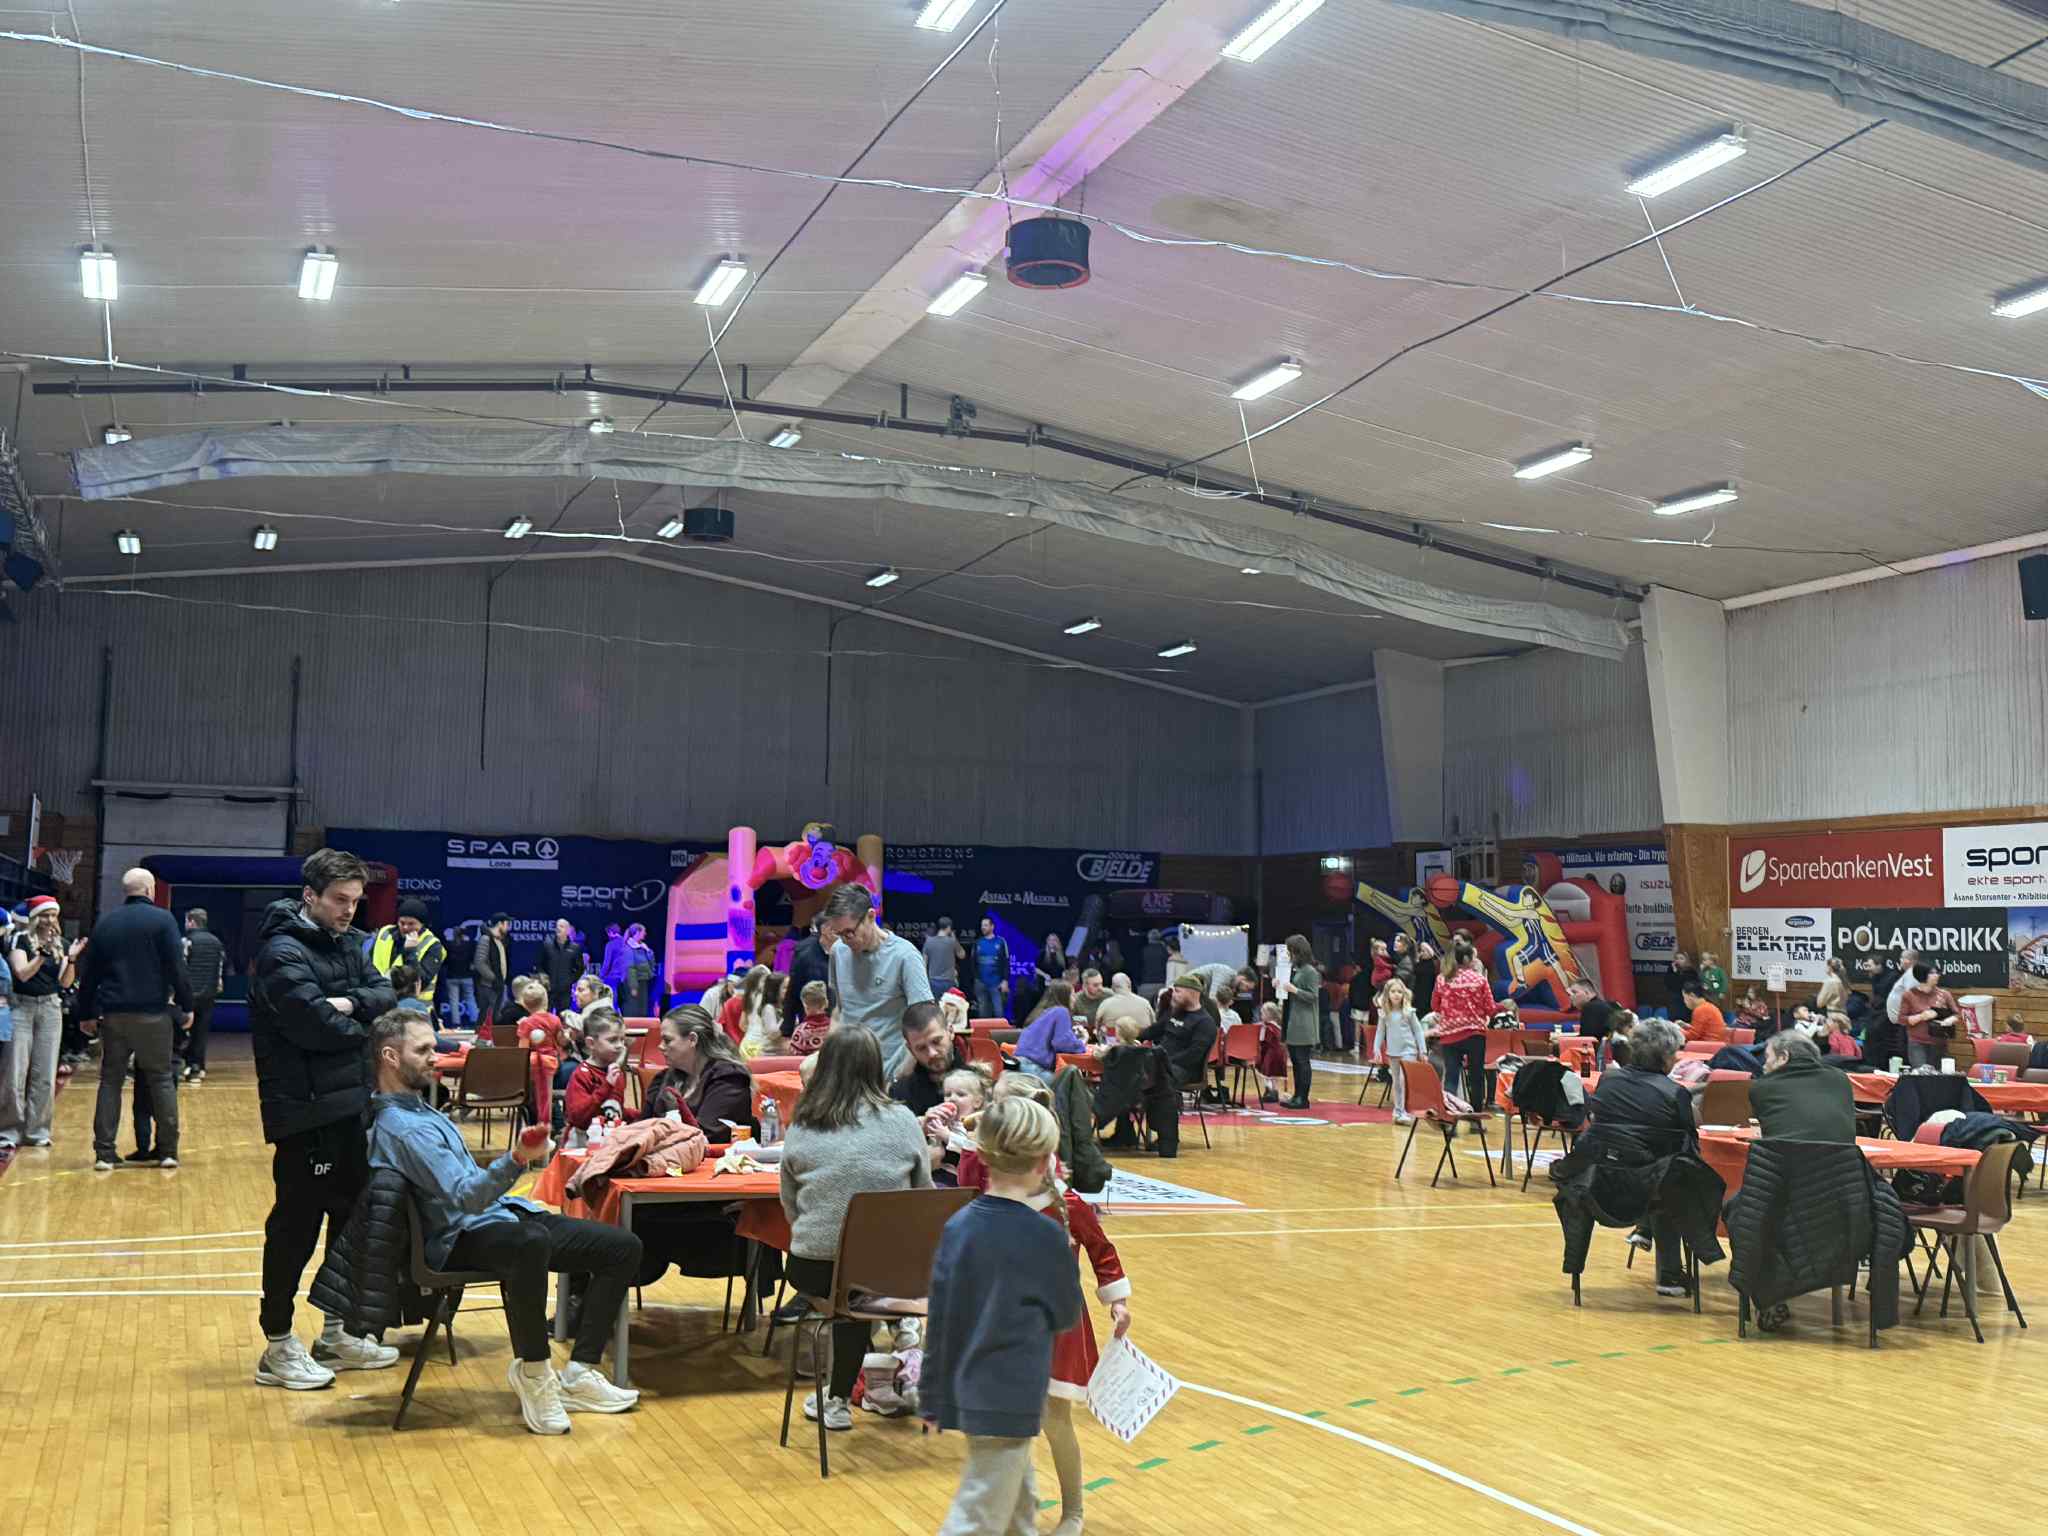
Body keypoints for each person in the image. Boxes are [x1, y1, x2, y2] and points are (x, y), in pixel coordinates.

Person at [364, 1010, 641, 1431]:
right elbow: (466, 1197)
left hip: (498, 1218)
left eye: (433, 1047)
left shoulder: (421, 1112)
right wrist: (516, 1159)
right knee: (529, 1243)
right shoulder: (403, 1128)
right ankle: (535, 1373)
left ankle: (579, 1373)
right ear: (389, 1057)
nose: (435, 1057)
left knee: (621, 1248)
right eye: (422, 1050)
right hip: (458, 1238)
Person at [246, 847, 399, 1389]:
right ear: (309, 895)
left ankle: (336, 1332)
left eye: (355, 901)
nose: (349, 910)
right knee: (296, 1228)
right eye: (339, 899)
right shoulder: (280, 952)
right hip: (305, 1114)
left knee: (350, 1222)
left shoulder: (351, 944)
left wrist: (347, 1004)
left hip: (352, 1107)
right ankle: (277, 1343)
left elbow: (385, 994)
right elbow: (313, 1026)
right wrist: (365, 1027)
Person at [952, 1077, 1129, 1536]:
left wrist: (1117, 1300)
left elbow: (1102, 1251)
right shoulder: (990, 1200)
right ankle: (1014, 1511)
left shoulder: (1066, 1204)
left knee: (1054, 1419)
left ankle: (1073, 1511)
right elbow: (967, 1184)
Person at [925, 1096, 1085, 1536]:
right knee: (977, 1516)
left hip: (968, 1387)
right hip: (1013, 1394)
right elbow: (1066, 1313)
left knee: (1018, 1503)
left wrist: (932, 1392)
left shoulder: (959, 1224)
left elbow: (941, 1314)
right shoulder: (1045, 1233)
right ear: (1044, 1162)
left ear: (982, 1155)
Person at [779, 1027, 934, 1431]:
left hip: (816, 1266)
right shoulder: (903, 1120)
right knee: (861, 1287)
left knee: (849, 1290)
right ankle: (852, 1388)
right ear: (876, 1066)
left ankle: (838, 1399)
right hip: (894, 1273)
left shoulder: (804, 1124)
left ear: (825, 1066)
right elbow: (925, 1196)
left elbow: (790, 1204)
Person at [75, 869, 194, 1173]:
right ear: (150, 890)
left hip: (114, 1015)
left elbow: (90, 974)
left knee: (110, 1081)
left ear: (125, 890)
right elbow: (176, 967)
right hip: (153, 1014)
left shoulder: (106, 923)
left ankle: (104, 1153)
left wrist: (85, 1013)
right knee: (161, 1080)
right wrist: (187, 1004)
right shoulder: (163, 920)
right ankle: (167, 1152)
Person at [1584, 1018, 1697, 1298]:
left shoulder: (1607, 1081)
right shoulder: (1675, 1093)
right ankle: (1669, 1272)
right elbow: (1689, 1146)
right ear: (1666, 1057)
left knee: (1652, 1171)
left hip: (1600, 1180)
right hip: (1651, 1188)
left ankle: (1645, 1229)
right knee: (1674, 1178)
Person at [820, 882, 932, 1080]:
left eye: (849, 932)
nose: (845, 940)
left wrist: (902, 1075)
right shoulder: (838, 951)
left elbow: (925, 1022)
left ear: (871, 917)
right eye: (839, 934)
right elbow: (839, 1011)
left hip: (888, 1070)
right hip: (848, 1068)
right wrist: (828, 1059)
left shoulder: (905, 956)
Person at [2, 895, 81, 1154]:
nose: (49, 920)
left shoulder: (61, 943)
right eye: (44, 915)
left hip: (50, 1008)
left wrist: (71, 959)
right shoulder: (20, 939)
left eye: (53, 915)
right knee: (15, 1072)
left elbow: (65, 982)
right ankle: (9, 1131)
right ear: (34, 917)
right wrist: (42, 953)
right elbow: (23, 973)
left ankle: (37, 1132)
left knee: (45, 1073)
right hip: (21, 1007)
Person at [645, 1004, 754, 1131]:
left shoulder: (729, 1078)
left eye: (667, 1040)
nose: (660, 1046)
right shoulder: (663, 1078)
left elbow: (706, 1133)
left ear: (692, 1039)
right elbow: (642, 1126)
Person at [1750, 1033, 1856, 1142]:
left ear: (1783, 1057)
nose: (1764, 1064)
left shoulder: (1762, 1086)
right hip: (1843, 1153)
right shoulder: (1840, 1079)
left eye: (1767, 1057)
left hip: (1780, 1153)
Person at [1430, 934, 1493, 1106]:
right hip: (1475, 1034)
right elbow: (1490, 1008)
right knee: (1476, 1076)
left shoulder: (1442, 979)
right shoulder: (1479, 979)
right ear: (1466, 959)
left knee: (1451, 1075)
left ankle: (1451, 1111)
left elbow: (1435, 1005)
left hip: (1449, 1034)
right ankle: (1476, 1114)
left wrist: (1448, 1013)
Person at [890, 1001, 969, 1116]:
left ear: (951, 1032)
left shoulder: (979, 1083)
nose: (932, 1053)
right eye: (921, 1048)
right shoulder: (899, 1095)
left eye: (936, 1042)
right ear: (910, 1049)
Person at [562, 1011, 633, 1132]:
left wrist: (641, 1116)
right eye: (612, 1040)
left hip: (610, 1136)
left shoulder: (617, 1073)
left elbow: (612, 1109)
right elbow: (578, 1118)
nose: (620, 1046)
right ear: (591, 1043)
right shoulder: (582, 1074)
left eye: (622, 1040)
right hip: (582, 1139)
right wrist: (607, 1085)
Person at [922, 1064, 991, 1185]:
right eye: (948, 1094)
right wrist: (931, 1126)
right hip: (941, 1173)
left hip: (967, 1178)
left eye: (960, 1094)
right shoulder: (947, 1120)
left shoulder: (979, 1124)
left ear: (977, 1102)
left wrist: (947, 1136)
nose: (952, 1099)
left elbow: (973, 1150)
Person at [179, 906, 226, 1083]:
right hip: (208, 995)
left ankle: (180, 1063)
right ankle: (197, 1068)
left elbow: (180, 968)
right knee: (201, 1032)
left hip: (188, 995)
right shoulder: (216, 942)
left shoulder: (186, 941)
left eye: (186, 921)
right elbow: (220, 969)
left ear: (191, 922)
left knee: (180, 1030)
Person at [1276, 934, 1321, 1108]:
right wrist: (1279, 985)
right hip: (1293, 1020)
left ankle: (1303, 1098)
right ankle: (1297, 1095)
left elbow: (1313, 996)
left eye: (1290, 951)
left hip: (1304, 1022)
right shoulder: (1296, 969)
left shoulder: (1310, 971)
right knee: (1295, 1060)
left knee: (1302, 1061)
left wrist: (1294, 990)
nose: (1289, 955)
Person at [369, 900, 445, 1003]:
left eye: (411, 924)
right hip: (380, 1000)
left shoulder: (433, 945)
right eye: (402, 923)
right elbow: (368, 964)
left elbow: (421, 982)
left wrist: (410, 951)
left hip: (413, 1006)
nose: (405, 927)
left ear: (422, 924)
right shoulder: (385, 933)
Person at [1378, 978, 1427, 1125]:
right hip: (1393, 1052)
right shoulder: (1384, 1013)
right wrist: (1376, 1048)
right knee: (1396, 1082)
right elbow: (1380, 1032)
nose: (1396, 994)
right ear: (1387, 994)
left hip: (1409, 1050)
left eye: (1399, 991)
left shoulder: (1409, 1012)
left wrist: (1422, 1050)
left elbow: (1418, 1031)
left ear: (1404, 994)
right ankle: (1398, 1110)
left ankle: (1404, 1110)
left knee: (1402, 1080)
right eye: (1393, 991)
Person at [1899, 962, 1963, 1069]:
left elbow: (1957, 1014)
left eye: (1937, 973)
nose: (1936, 975)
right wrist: (1921, 1016)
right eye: (1932, 973)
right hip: (1918, 1043)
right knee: (1921, 1073)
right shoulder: (1909, 995)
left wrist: (1950, 1020)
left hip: (1939, 1042)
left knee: (1940, 1074)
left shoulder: (1944, 994)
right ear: (1922, 975)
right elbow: (1901, 1019)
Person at [1015, 980, 1082, 1081]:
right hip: (1033, 1069)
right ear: (1064, 996)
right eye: (1072, 995)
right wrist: (1082, 1042)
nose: (1075, 998)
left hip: (1018, 1066)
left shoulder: (1040, 1012)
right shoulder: (1061, 1011)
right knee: (1070, 1083)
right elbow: (1061, 1042)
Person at [787, 918, 834, 1018]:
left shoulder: (846, 951)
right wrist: (788, 1024)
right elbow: (793, 990)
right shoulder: (805, 955)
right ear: (824, 929)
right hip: (812, 1017)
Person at [535, 918, 584, 1012]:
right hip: (548, 989)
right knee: (546, 1015)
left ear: (568, 930)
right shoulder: (547, 945)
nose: (558, 928)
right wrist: (544, 978)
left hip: (565, 991)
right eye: (556, 926)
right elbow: (539, 965)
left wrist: (570, 980)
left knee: (563, 1016)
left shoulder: (575, 948)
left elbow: (580, 968)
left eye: (561, 926)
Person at [738, 967, 786, 1059]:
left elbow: (742, 1024)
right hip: (760, 1047)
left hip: (746, 1044)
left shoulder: (749, 996)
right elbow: (772, 1033)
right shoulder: (766, 1002)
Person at [970, 916, 1011, 1022]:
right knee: (983, 1014)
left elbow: (1006, 963)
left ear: (992, 927)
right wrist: (976, 979)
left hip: (997, 983)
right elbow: (973, 963)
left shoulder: (1001, 941)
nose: (983, 927)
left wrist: (1005, 980)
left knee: (999, 1013)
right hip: (981, 984)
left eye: (985, 925)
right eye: (982, 925)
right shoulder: (978, 942)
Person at [474, 913, 512, 1026]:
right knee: (485, 1018)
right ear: (500, 924)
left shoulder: (499, 940)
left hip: (498, 985)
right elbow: (479, 963)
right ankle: (480, 1036)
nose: (508, 927)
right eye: (507, 924)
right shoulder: (486, 939)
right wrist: (494, 978)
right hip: (488, 986)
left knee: (494, 1019)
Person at [440, 921, 476, 1027]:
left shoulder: (449, 945)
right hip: (467, 976)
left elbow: (445, 961)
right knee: (470, 998)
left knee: (454, 1001)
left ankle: (456, 1023)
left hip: (452, 976)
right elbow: (473, 960)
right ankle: (475, 1022)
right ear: (463, 935)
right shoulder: (469, 945)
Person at [788, 978, 833, 1056]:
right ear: (825, 1002)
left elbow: (793, 1058)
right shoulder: (834, 1027)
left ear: (805, 1005)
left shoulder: (801, 1031)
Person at [924, 916, 965, 998]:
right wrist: (954, 938)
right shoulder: (952, 941)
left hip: (933, 981)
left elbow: (924, 963)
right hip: (949, 981)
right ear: (949, 927)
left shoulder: (929, 942)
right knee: (949, 1005)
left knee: (935, 1005)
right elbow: (962, 955)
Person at [1568, 979, 1617, 1044]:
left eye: (1574, 992)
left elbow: (1587, 1040)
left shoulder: (1591, 1007)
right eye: (1570, 994)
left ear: (1587, 993)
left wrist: (1561, 1042)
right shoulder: (1600, 1005)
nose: (1571, 996)